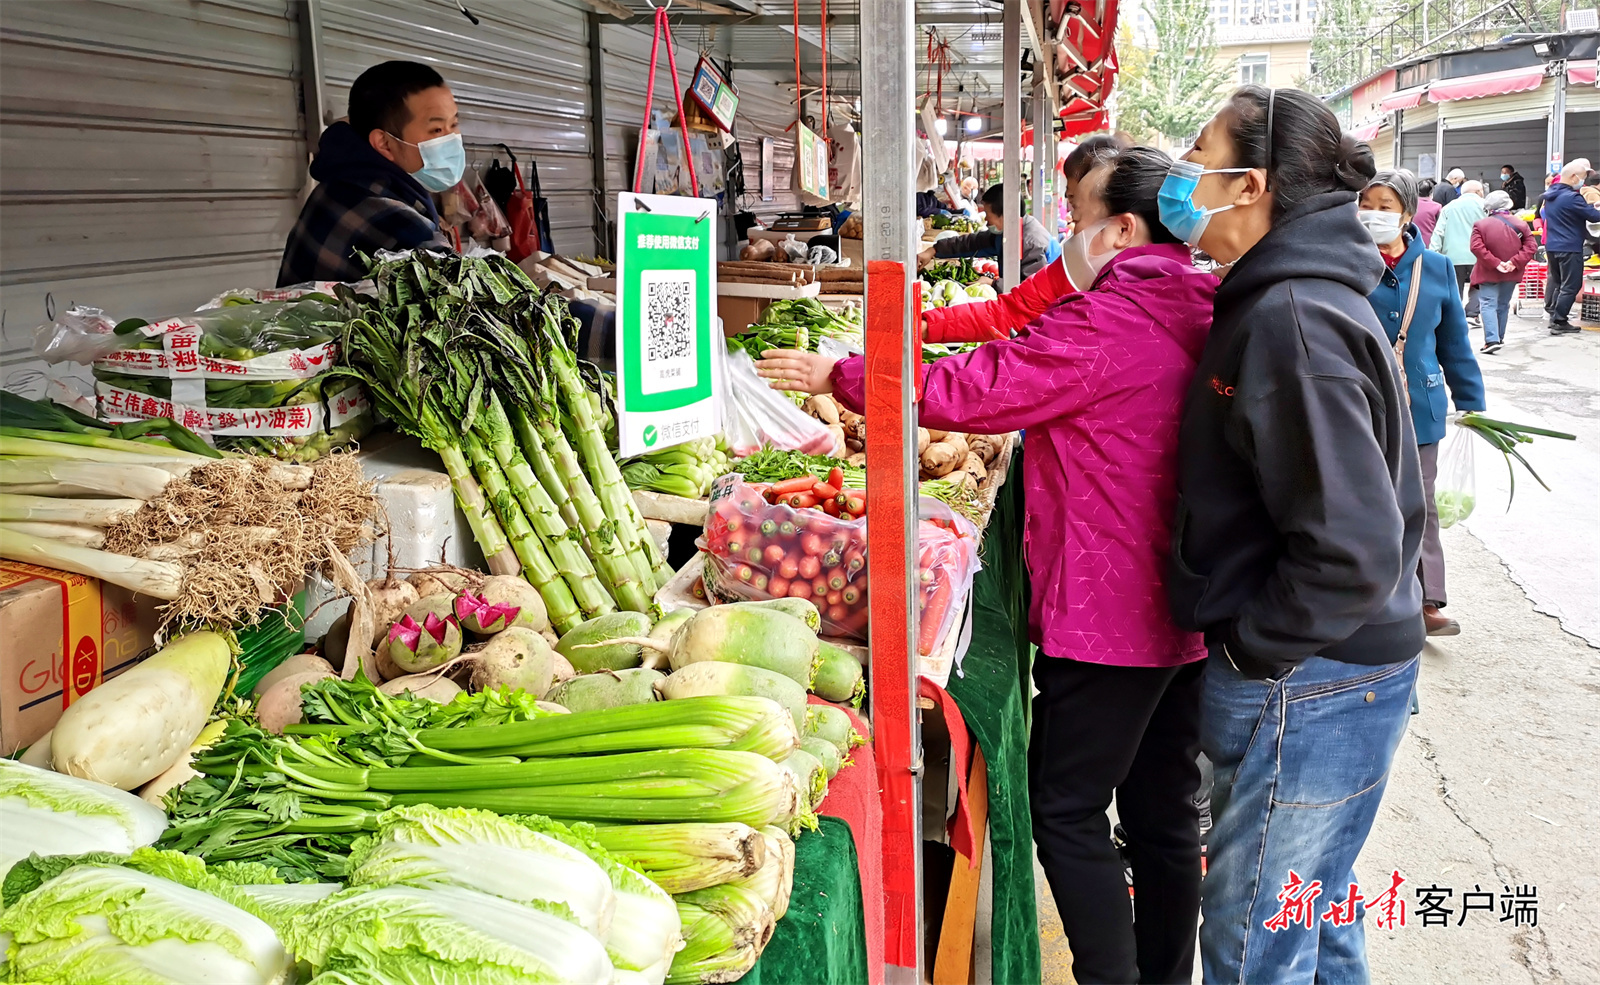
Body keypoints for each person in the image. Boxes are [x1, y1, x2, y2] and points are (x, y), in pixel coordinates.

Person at [759, 145, 1217, 985]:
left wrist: (846, 376)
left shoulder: (1112, 321)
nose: (1067, 229)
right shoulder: (1194, 296)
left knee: (1069, 809)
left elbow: (977, 389)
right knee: (1160, 814)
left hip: (1110, 610)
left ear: (1120, 227)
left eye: (1079, 214)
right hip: (1180, 600)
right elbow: (1015, 323)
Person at [1159, 86, 1425, 983]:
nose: (1185, 175)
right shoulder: (1282, 296)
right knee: (1315, 910)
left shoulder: (1293, 319)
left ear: (1252, 186)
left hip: (1311, 676)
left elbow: (1349, 548)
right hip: (1334, 671)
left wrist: (1248, 651)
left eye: (1201, 157)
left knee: (1252, 942)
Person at [1360, 170, 1486, 640]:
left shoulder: (1433, 268)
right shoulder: (1348, 260)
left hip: (1419, 406)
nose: (1372, 213)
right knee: (1363, 500)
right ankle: (1367, 595)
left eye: (1385, 206)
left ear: (1408, 214)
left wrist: (1472, 401)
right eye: (1366, 203)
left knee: (1421, 504)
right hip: (1359, 404)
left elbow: (1454, 340)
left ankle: (1428, 599)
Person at [921, 134, 1130, 344]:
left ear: (1124, 229)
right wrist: (927, 325)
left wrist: (994, 282)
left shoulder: (1033, 243)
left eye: (1076, 206)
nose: (1072, 220)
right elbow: (1010, 311)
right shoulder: (1065, 269)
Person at [279, 61, 459, 285]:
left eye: (454, 124)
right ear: (384, 143)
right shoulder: (402, 228)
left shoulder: (338, 183)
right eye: (437, 130)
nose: (452, 140)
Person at [919, 182, 1052, 277]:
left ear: (1005, 216)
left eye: (988, 215)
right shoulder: (1007, 232)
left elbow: (1031, 289)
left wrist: (994, 284)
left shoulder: (1032, 243)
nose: (986, 220)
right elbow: (971, 243)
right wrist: (934, 250)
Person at [1469, 189, 1537, 353]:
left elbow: (1476, 247)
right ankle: (1499, 337)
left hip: (1488, 271)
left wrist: (1495, 263)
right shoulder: (1520, 224)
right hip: (1512, 273)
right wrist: (1514, 262)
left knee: (1488, 303)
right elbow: (1531, 246)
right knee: (1503, 305)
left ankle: (1491, 340)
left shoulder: (1481, 225)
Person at [1538, 158, 1600, 334]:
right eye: (1581, 177)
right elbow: (1594, 217)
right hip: (1569, 246)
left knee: (1558, 284)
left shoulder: (1551, 196)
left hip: (1552, 246)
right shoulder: (1572, 197)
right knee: (1571, 286)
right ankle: (1560, 320)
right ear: (1573, 177)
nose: (1583, 181)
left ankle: (1555, 317)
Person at [1430, 179, 1486, 325]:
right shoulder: (1485, 207)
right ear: (1479, 192)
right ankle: (1472, 313)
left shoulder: (1449, 208)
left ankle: (1454, 316)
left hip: (1453, 255)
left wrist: (1433, 253)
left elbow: (1438, 232)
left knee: (1455, 287)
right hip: (1478, 255)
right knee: (1478, 285)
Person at [1413, 177, 1444, 244]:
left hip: (1411, 240)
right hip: (1429, 242)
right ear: (1431, 192)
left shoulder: (1411, 204)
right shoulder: (1437, 207)